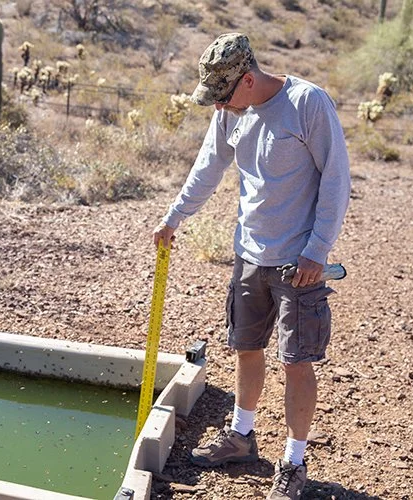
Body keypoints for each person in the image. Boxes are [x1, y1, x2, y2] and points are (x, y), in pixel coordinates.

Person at [152, 33, 351, 500]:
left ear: (247, 79)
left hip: (297, 263)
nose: (218, 106)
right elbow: (207, 168)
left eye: (223, 95)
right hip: (248, 254)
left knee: (296, 361)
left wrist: (317, 250)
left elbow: (336, 180)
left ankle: (294, 462)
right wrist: (173, 218)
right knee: (245, 347)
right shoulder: (230, 112)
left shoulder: (307, 104)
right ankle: (241, 438)